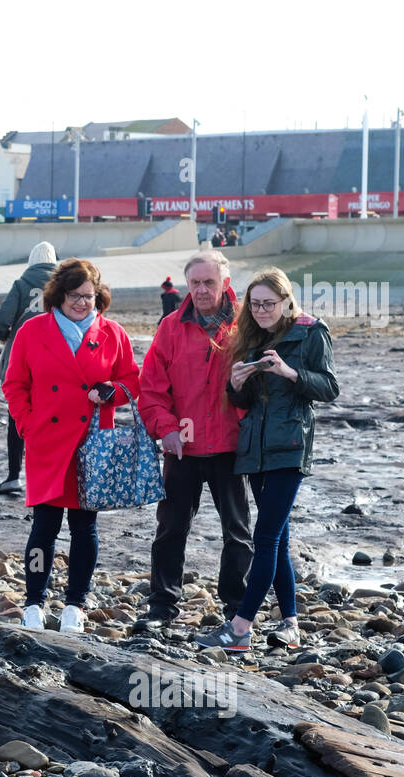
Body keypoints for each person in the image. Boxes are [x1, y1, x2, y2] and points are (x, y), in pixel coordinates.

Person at [197, 266, 339, 652]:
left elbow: (329, 387)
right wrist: (236, 384)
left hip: (290, 447)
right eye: (255, 304)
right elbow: (244, 403)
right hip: (255, 450)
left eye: (268, 304)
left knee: (265, 537)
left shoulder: (311, 332)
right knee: (278, 540)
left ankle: (240, 627)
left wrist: (291, 372)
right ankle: (290, 625)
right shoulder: (251, 337)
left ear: (286, 301)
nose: (260, 310)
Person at [3, 258, 141, 633]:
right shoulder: (32, 331)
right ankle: (33, 603)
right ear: (59, 295)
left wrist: (112, 392)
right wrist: (28, 425)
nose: (83, 303)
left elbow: (132, 380)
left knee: (85, 528)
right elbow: (14, 385)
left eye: (89, 296)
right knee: (43, 528)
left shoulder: (112, 333)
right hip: (47, 442)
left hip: (90, 444)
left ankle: (75, 605)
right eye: (75, 296)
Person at [138, 250, 252, 623]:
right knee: (170, 528)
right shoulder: (171, 327)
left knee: (237, 532)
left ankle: (237, 608)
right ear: (187, 285)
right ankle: (162, 606)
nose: (202, 290)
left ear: (226, 284)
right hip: (181, 448)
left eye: (209, 282)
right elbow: (151, 389)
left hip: (230, 447)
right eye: (196, 283)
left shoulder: (246, 327)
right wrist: (166, 429)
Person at [0, 241, 58, 496]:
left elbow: (0, 320)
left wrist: (6, 336)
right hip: (56, 362)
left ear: (31, 261)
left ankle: (13, 477)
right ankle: (49, 475)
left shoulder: (21, 284)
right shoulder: (63, 286)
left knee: (17, 415)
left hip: (22, 360)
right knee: (54, 417)